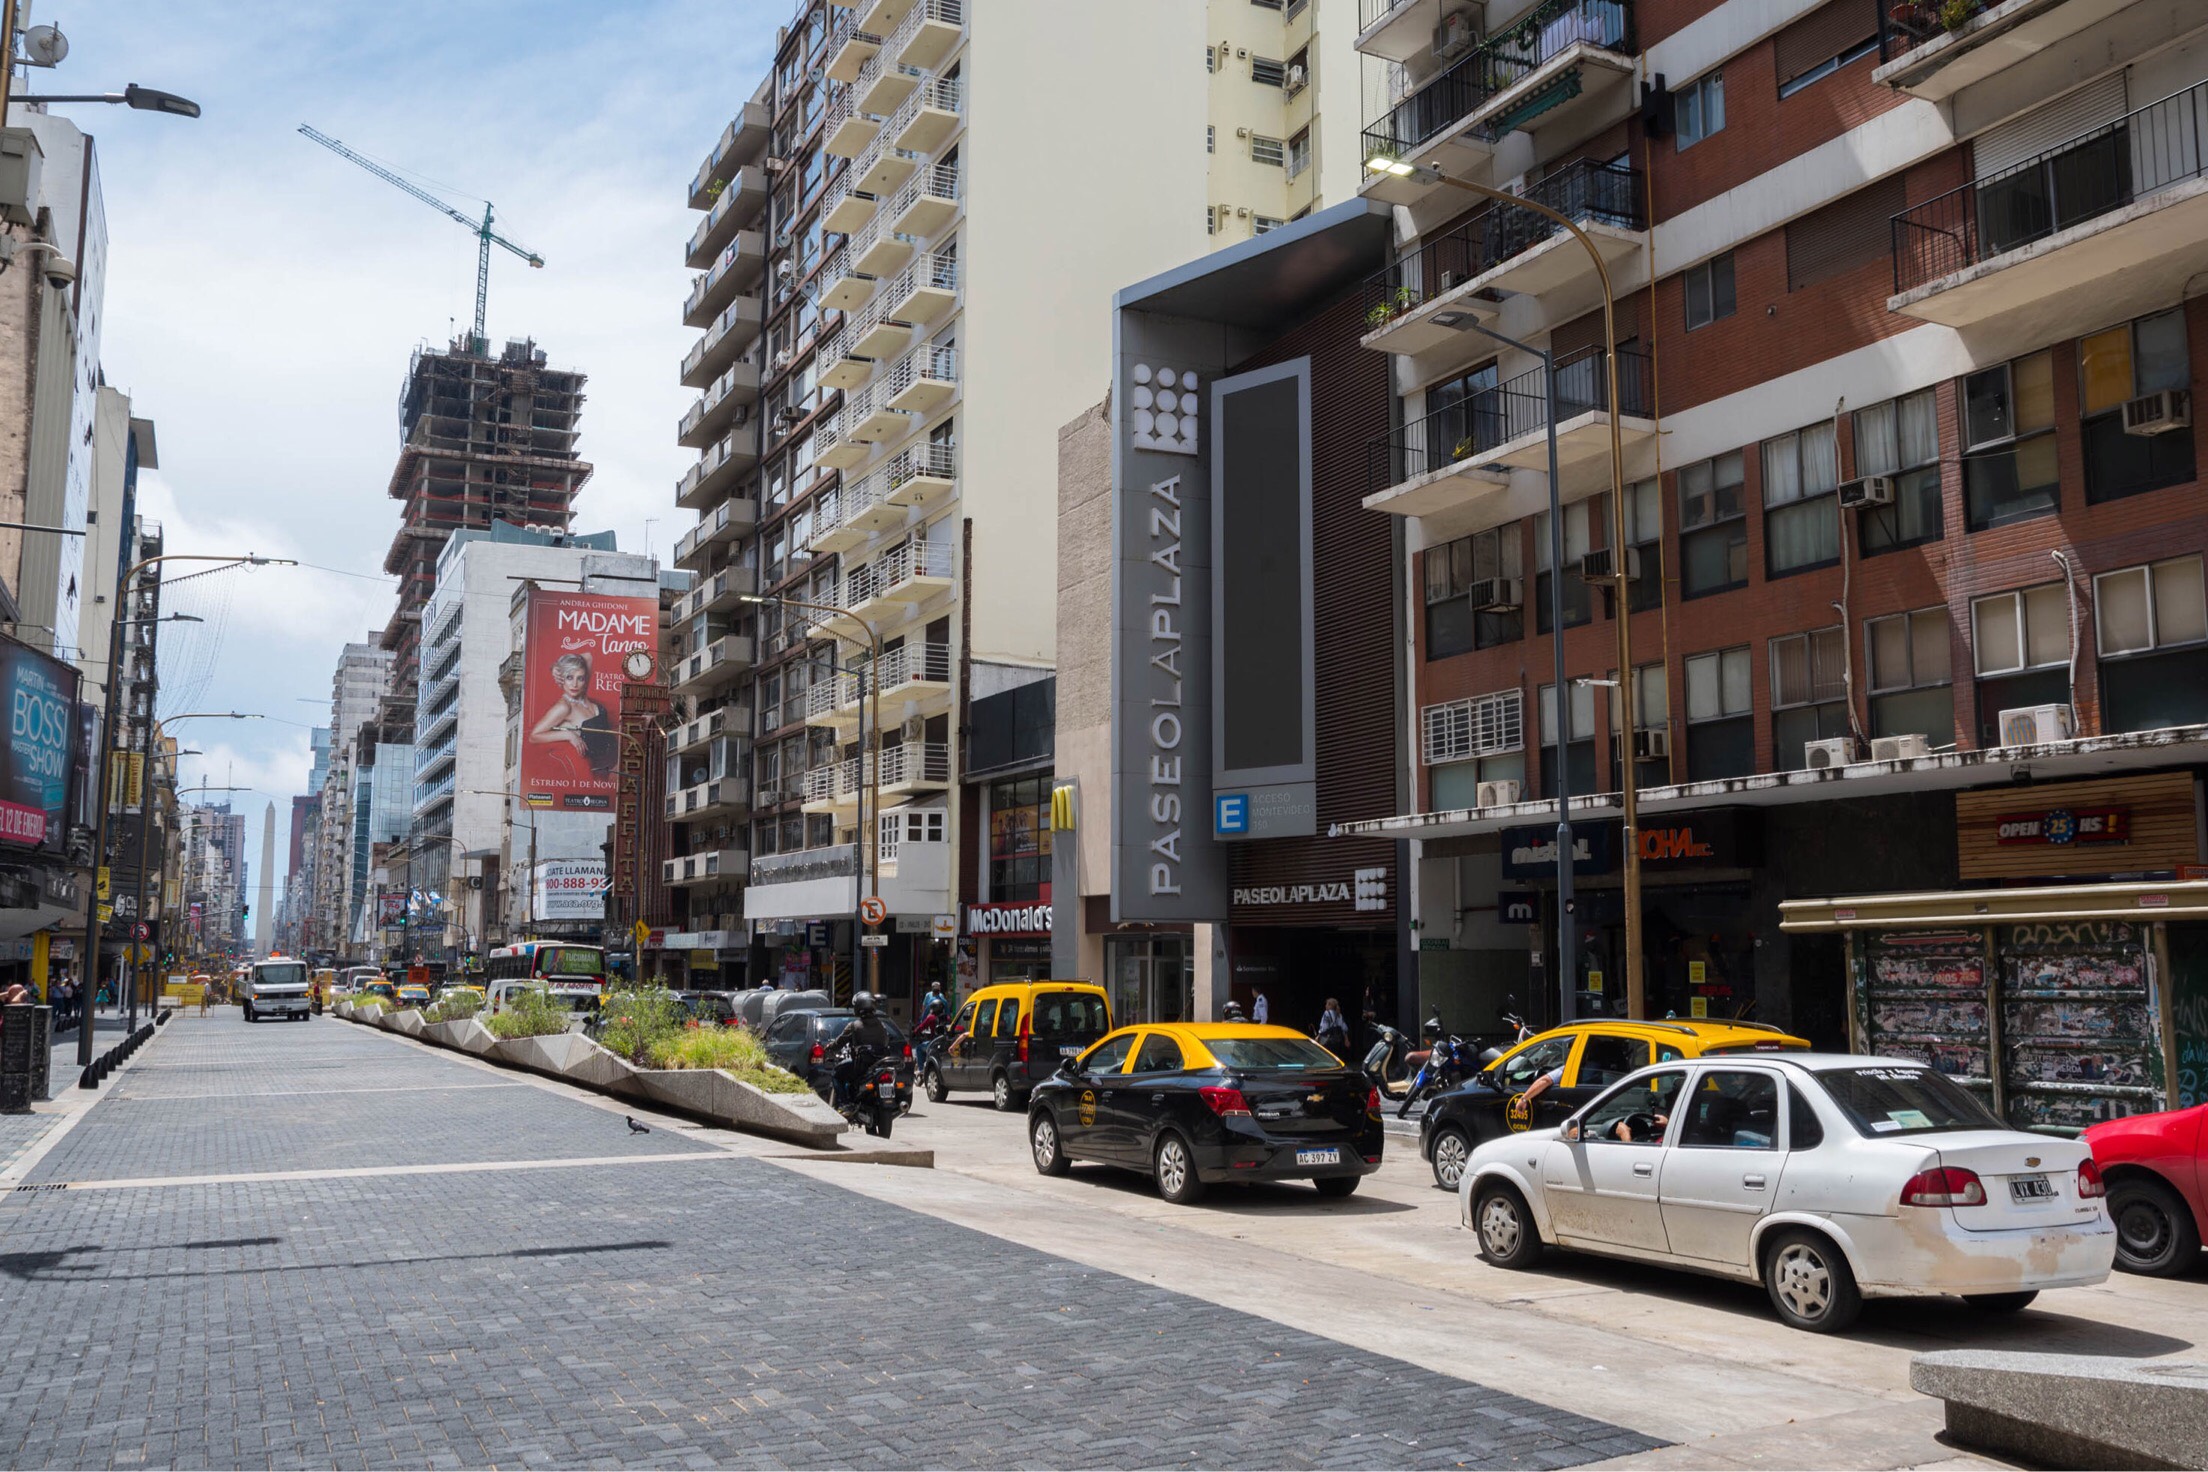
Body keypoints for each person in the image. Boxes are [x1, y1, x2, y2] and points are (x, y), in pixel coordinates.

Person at [528, 652, 616, 780]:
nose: (574, 684)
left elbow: (588, 656)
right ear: (561, 679)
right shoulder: (564, 707)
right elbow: (533, 736)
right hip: (602, 772)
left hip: (615, 760)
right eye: (569, 677)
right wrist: (568, 735)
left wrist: (555, 667)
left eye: (580, 678)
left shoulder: (582, 692)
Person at [826, 991, 893, 1107]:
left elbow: (839, 1043)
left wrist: (829, 1048)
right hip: (878, 1066)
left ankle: (844, 1103)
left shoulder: (853, 1026)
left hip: (861, 1066)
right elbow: (886, 1041)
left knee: (836, 1074)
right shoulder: (882, 1025)